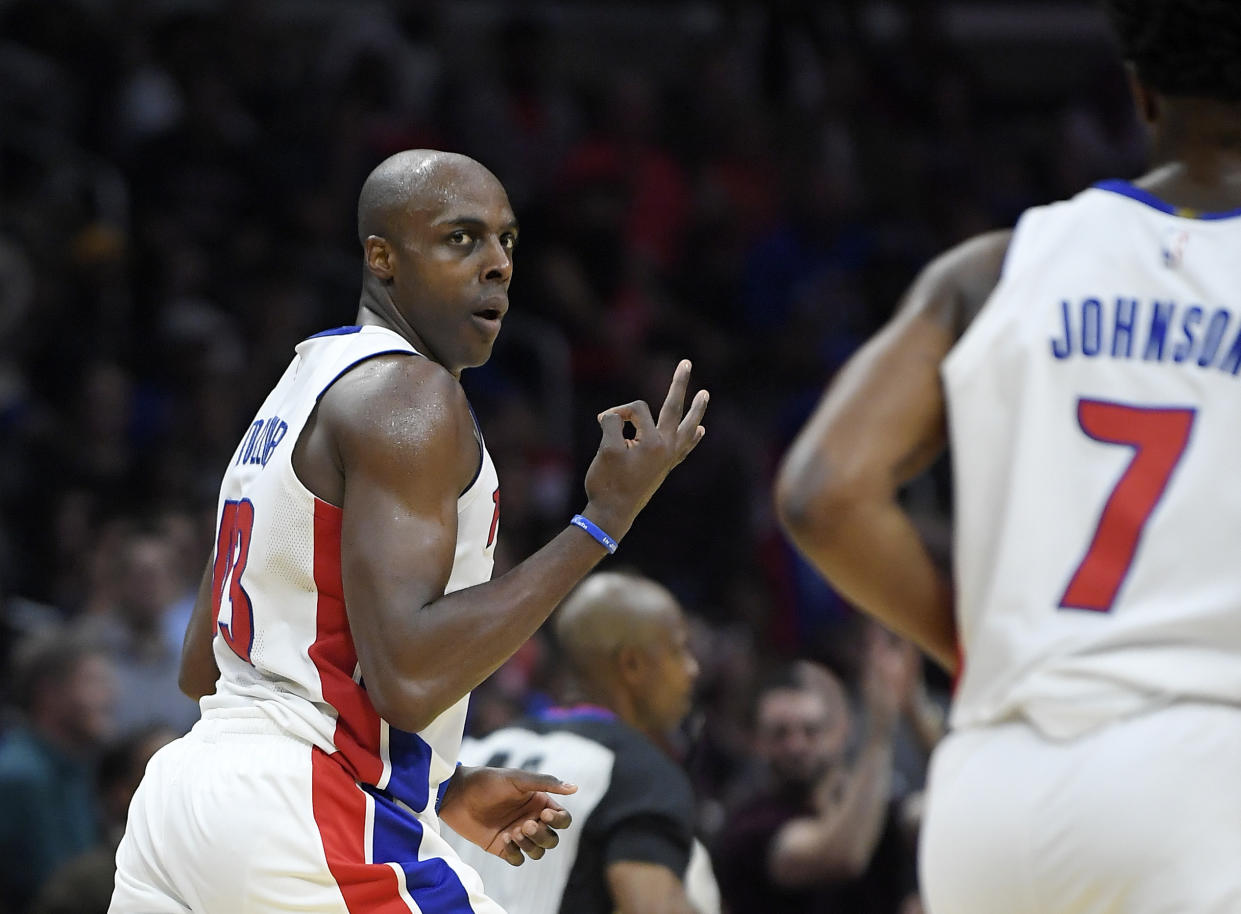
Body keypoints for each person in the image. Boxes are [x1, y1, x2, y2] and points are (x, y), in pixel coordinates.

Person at [110, 149, 709, 913]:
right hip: (309, 809)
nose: (496, 265)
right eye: (461, 239)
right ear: (382, 258)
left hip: (184, 805)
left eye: (507, 242)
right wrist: (601, 522)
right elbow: (407, 677)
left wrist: (439, 784)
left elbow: (205, 665)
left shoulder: (301, 382)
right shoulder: (410, 394)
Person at [774, 2, 1241, 911]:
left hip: (992, 788)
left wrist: (971, 645)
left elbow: (821, 496)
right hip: (1201, 770)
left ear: (1138, 94)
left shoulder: (996, 269)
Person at [447, 570, 719, 914]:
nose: (692, 669)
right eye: (679, 650)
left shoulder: (470, 754)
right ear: (632, 665)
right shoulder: (642, 771)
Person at [713, 635, 920, 914]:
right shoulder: (747, 829)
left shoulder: (877, 810)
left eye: (811, 731)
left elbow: (943, 815)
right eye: (779, 733)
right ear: (757, 742)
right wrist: (880, 731)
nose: (796, 745)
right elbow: (841, 856)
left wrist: (914, 708)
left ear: (839, 733)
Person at [0, 630, 117, 914]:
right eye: (93, 682)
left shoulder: (77, 764)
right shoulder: (22, 777)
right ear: (49, 694)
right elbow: (61, 891)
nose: (110, 696)